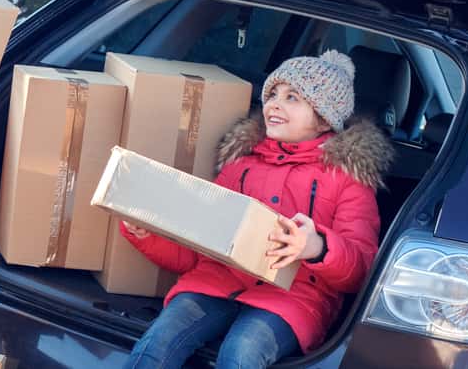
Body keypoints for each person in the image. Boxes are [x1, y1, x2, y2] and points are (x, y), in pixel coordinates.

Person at [120, 50, 394, 368]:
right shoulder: (240, 165)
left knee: (242, 352)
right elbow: (197, 250)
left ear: (323, 117)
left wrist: (317, 247)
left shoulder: (348, 179)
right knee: (157, 343)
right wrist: (148, 234)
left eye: (293, 97)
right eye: (272, 94)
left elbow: (360, 270)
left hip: (294, 298)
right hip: (215, 281)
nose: (274, 104)